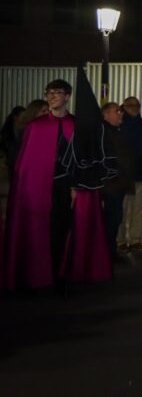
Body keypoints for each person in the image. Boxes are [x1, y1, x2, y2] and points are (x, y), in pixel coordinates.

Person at [3, 79, 76, 291]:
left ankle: (61, 275)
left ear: (67, 96)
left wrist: (76, 187)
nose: (52, 96)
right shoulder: (36, 126)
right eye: (49, 92)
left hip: (66, 188)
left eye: (57, 92)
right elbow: (27, 164)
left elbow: (83, 159)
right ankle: (41, 276)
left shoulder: (76, 124)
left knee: (64, 230)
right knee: (40, 231)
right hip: (39, 190)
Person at [118, 96, 142, 253]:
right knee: (122, 209)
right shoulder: (119, 124)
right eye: (130, 105)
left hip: (140, 173)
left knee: (138, 209)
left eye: (137, 105)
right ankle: (119, 240)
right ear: (124, 106)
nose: (134, 108)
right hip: (123, 175)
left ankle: (135, 239)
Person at [100, 102, 133, 261]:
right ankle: (106, 253)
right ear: (105, 115)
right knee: (111, 219)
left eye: (121, 111)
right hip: (110, 184)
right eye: (116, 111)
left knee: (116, 218)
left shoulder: (116, 131)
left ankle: (109, 250)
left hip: (118, 183)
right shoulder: (104, 132)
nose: (121, 114)